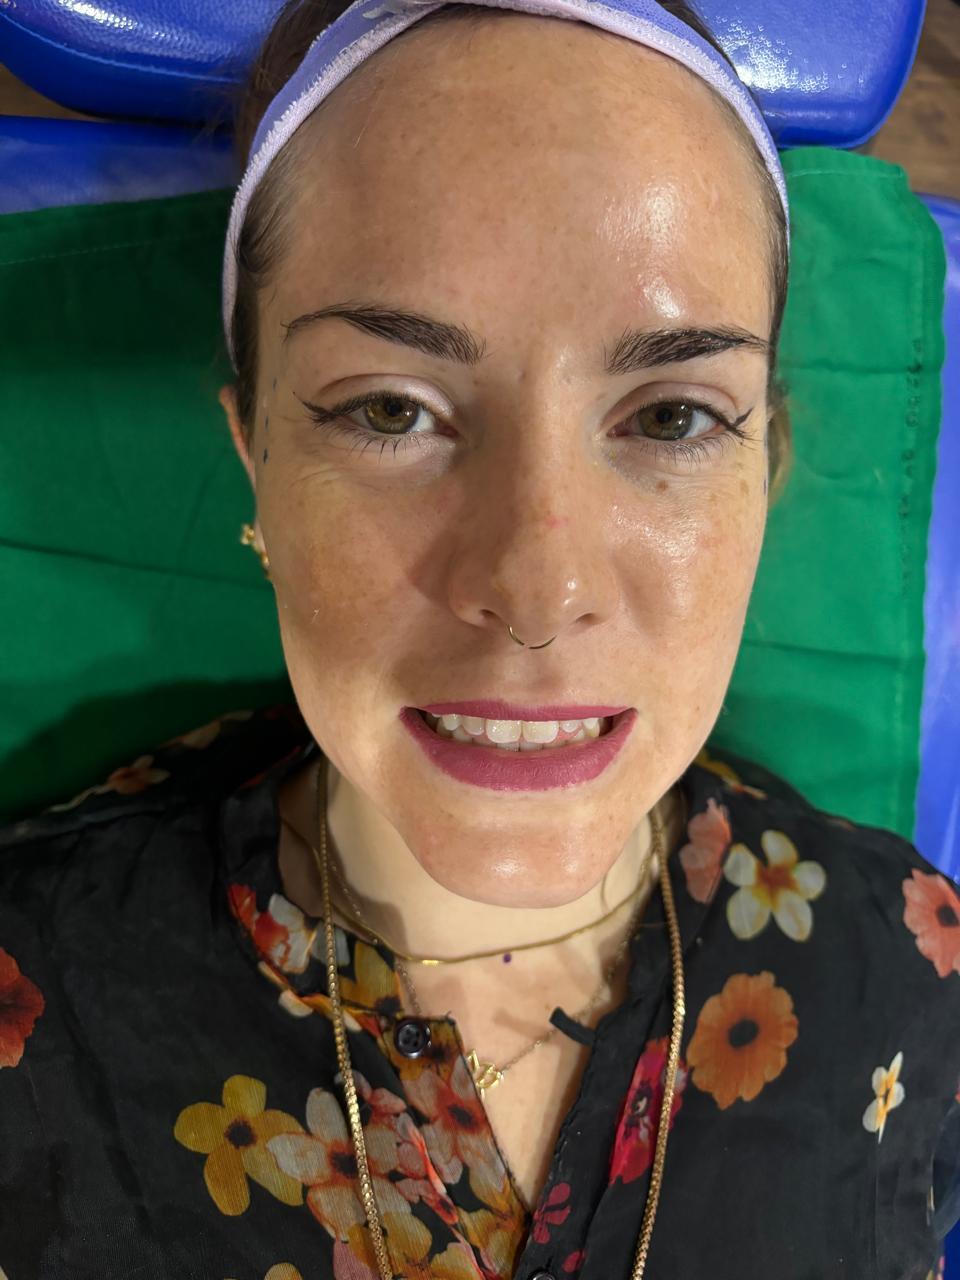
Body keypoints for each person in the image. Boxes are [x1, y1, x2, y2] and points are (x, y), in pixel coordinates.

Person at [1, 0, 958, 1276]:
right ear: (257, 463)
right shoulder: (31, 1001)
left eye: (671, 417)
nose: (537, 589)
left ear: (765, 474)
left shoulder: (907, 970)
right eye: (393, 409)